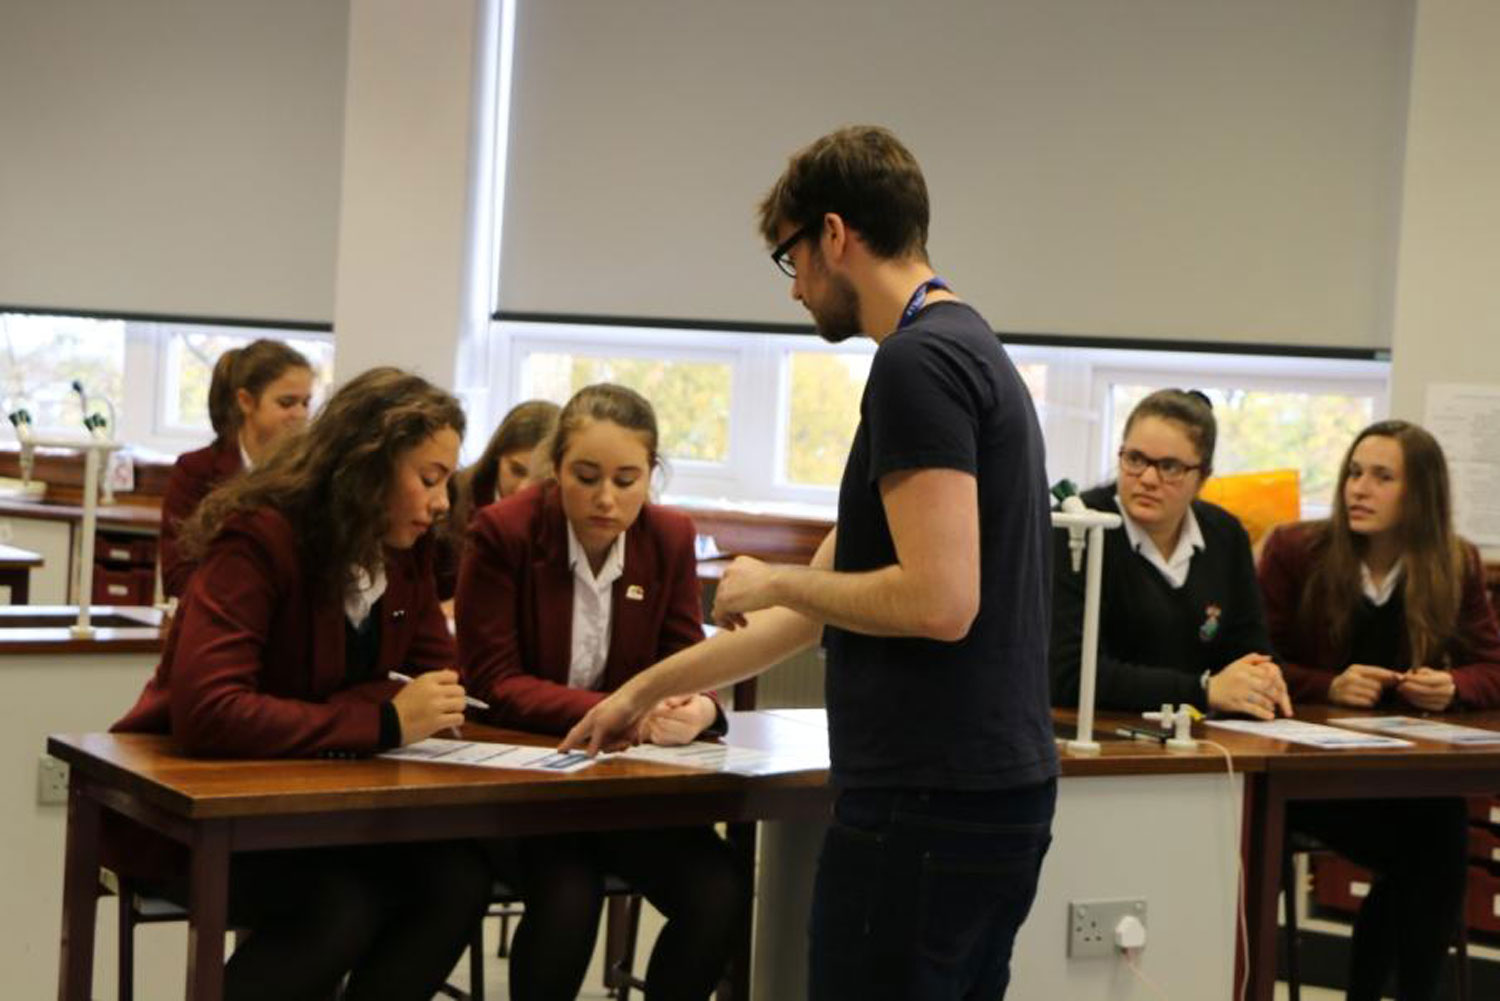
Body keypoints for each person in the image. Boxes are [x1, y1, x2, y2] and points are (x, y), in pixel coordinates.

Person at [562, 125, 1057, 1000]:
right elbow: (810, 612)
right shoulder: (969, 347)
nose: (793, 289)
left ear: (835, 235)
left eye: (788, 257)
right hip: (989, 793)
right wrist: (637, 693)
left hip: (927, 801)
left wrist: (777, 575)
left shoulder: (917, 365)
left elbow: (942, 601)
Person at [112, 366, 490, 1001]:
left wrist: (369, 709)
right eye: (429, 479)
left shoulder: (406, 549)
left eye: (447, 481)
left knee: (459, 880)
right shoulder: (258, 539)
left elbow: (440, 685)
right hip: (193, 817)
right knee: (339, 907)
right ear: (368, 466)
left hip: (322, 813)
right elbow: (211, 710)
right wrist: (382, 720)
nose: (443, 502)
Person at [455, 382, 745, 1001]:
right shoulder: (502, 533)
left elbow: (684, 660)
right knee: (569, 901)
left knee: (718, 889)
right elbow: (494, 684)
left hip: (622, 788)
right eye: (586, 476)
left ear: (651, 476)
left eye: (627, 479)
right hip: (523, 786)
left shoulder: (667, 537)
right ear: (555, 470)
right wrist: (624, 712)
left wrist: (698, 707)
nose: (606, 499)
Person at [1259, 419, 1500, 1001]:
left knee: (1438, 836)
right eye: (1354, 473)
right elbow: (1254, 659)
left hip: (1401, 773)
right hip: (1309, 776)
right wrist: (1329, 684)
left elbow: (1493, 667)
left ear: (1420, 494)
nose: (1358, 489)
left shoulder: (1455, 562)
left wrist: (1453, 685)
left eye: (1381, 477)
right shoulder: (1297, 550)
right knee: (1428, 852)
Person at [1049, 389, 1291, 718]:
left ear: (1202, 477)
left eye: (1169, 467)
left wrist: (1262, 678)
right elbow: (1066, 674)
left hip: (1204, 737)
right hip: (1095, 735)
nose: (1148, 478)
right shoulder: (1077, 528)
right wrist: (1202, 690)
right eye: (1134, 459)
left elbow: (1250, 649)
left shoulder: (1225, 534)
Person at [159, 339, 313, 598]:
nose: (300, 415)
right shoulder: (196, 471)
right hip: (218, 616)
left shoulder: (309, 474)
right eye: (287, 403)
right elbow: (178, 574)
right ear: (246, 402)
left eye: (306, 403)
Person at [435, 398, 560, 601]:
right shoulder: (449, 497)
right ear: (497, 456)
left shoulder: (564, 516)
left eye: (540, 478)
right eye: (516, 470)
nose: (524, 488)